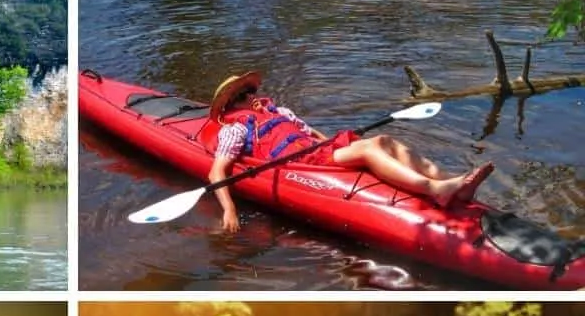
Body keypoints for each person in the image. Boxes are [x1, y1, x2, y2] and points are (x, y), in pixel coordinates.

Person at [207, 72, 495, 233]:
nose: (252, 96)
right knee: (369, 151)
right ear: (233, 105)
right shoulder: (235, 128)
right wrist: (229, 209)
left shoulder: (278, 112)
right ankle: (434, 189)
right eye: (244, 95)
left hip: (314, 151)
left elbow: (311, 134)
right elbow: (217, 171)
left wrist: (336, 142)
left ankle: (453, 183)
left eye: (250, 91)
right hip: (298, 163)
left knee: (383, 138)